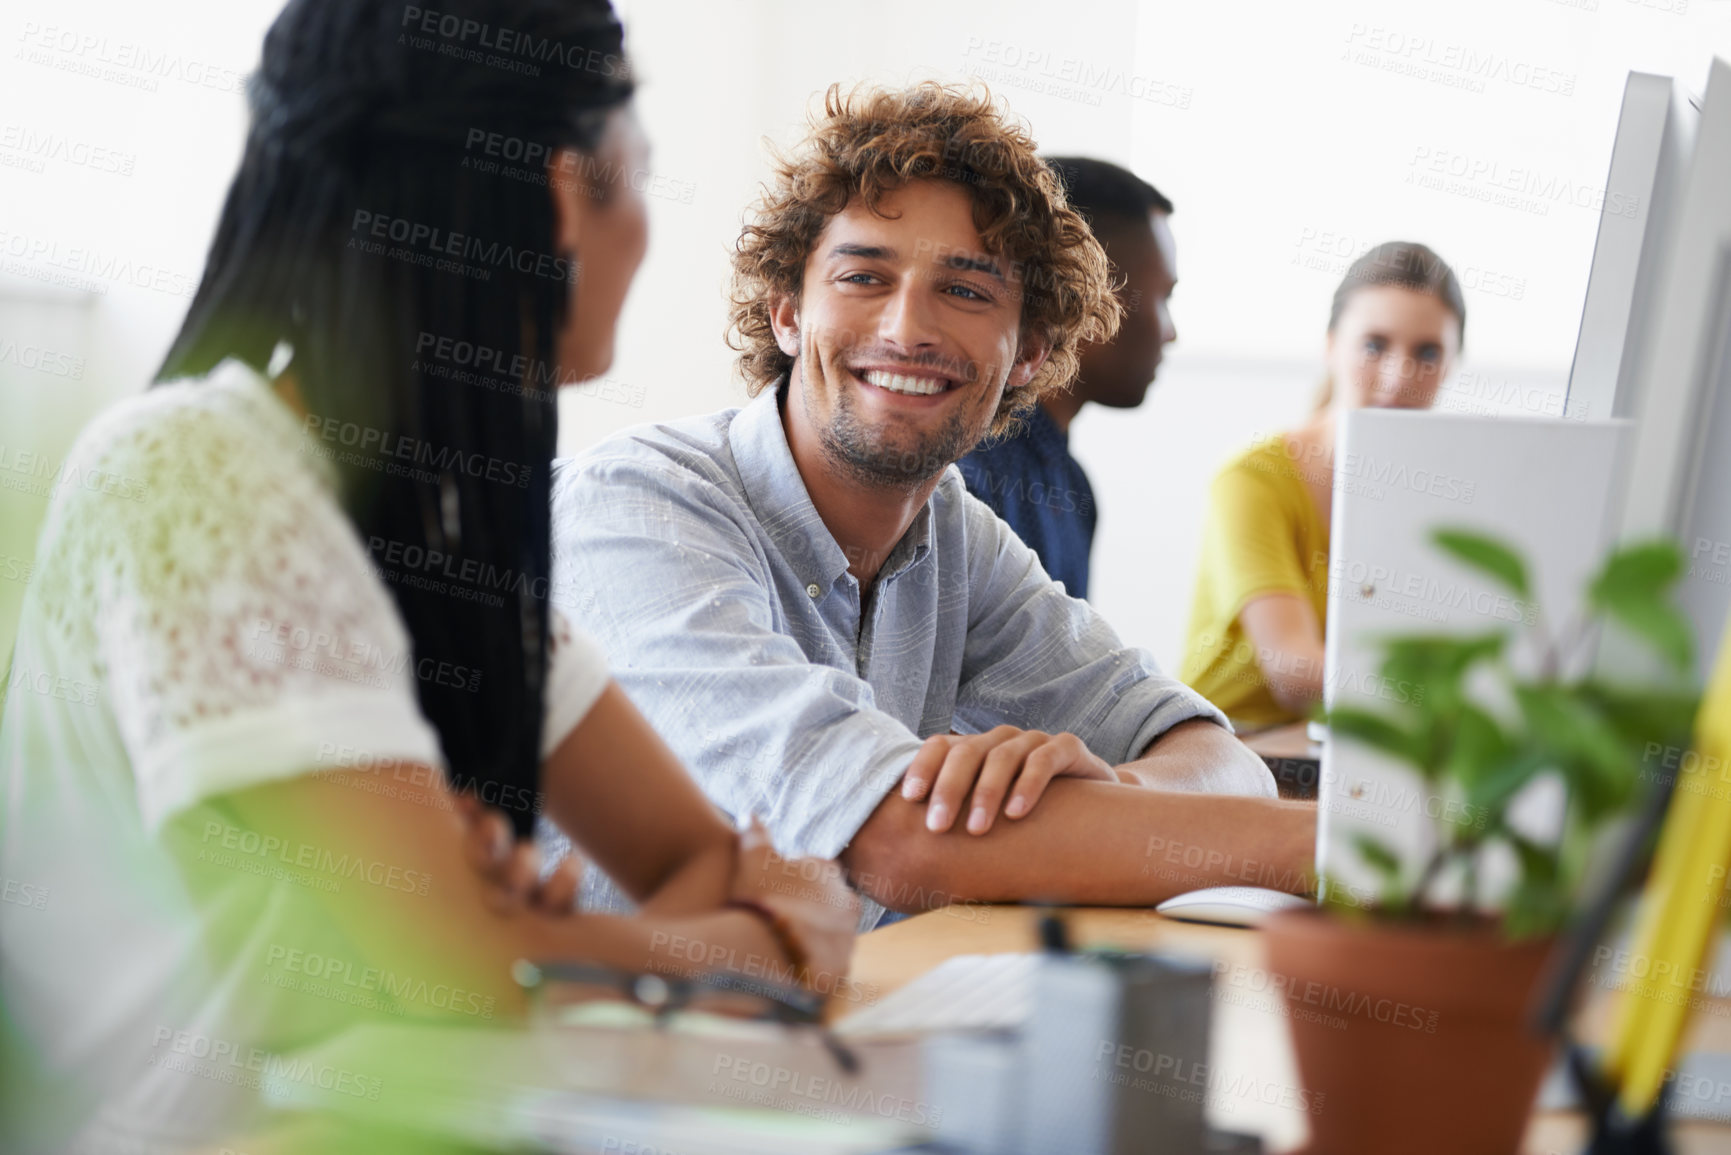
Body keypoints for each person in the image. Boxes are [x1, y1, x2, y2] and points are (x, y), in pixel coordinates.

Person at [0, 3, 855, 1152]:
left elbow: (678, 860)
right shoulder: (195, 473)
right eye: (638, 173)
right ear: (560, 193)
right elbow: (460, 976)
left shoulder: (439, 528)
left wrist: (536, 954)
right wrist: (772, 938)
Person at [549, 83, 1315, 931]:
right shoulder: (636, 507)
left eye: (966, 290)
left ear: (1030, 350)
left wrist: (1120, 792)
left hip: (830, 1021)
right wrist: (1353, 855)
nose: (907, 326)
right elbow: (897, 844)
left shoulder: (952, 531)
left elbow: (1220, 760)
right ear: (786, 314)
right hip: (585, 1048)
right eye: (863, 277)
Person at [1180, 241, 1466, 728]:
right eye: (1375, 345)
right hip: (1232, 748)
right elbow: (1292, 673)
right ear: (1331, 346)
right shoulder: (1253, 479)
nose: (1399, 376)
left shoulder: (1445, 492)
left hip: (1359, 744)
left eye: (1428, 352)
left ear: (1454, 362)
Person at [957, 157, 1177, 598]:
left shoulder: (1072, 486)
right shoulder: (967, 476)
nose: (1171, 332)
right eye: (1163, 297)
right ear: (1086, 295)